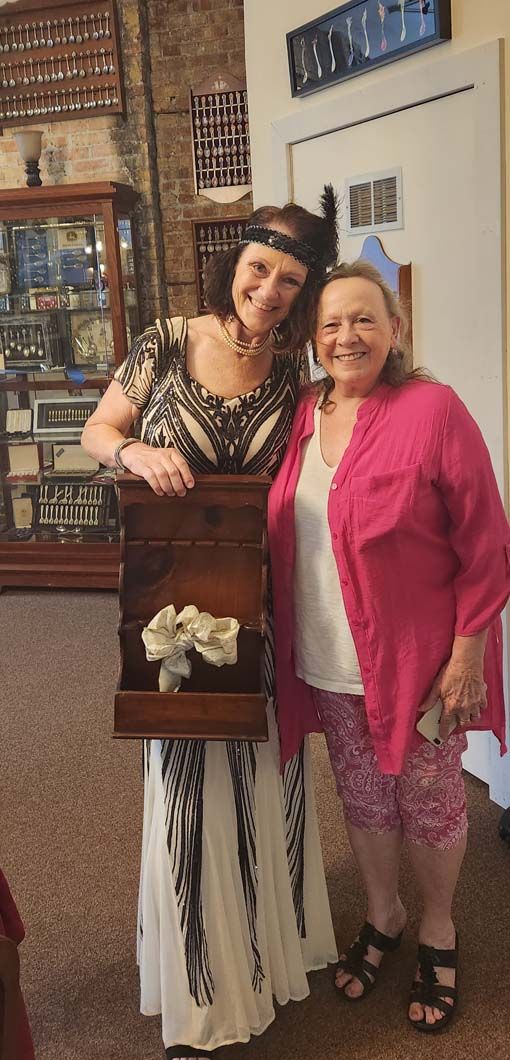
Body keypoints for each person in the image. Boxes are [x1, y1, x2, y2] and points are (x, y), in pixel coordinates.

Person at [81, 197, 340, 1059]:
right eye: (260, 268)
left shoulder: (296, 378)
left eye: (290, 282)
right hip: (172, 616)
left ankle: (265, 962)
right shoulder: (162, 340)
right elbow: (97, 428)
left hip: (263, 611)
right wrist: (134, 452)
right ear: (238, 260)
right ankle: (200, 980)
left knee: (266, 777)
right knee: (189, 780)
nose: (268, 291)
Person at [268, 260, 510, 1034]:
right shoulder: (300, 414)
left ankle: (439, 927)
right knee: (365, 798)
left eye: (365, 319)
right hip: (329, 660)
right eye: (331, 322)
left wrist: (467, 652)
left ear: (396, 330)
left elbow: (486, 542)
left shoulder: (432, 409)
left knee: (431, 804)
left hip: (423, 664)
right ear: (312, 338)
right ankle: (385, 915)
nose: (347, 335)